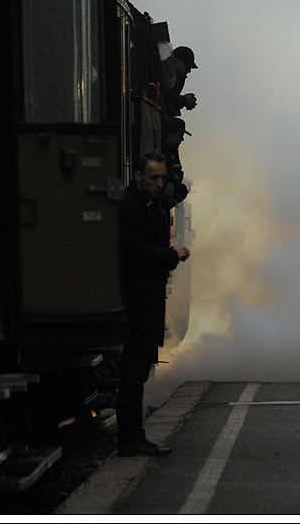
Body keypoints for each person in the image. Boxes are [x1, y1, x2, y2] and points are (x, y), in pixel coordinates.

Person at [117, 153, 191, 457]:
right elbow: (135, 251)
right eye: (154, 178)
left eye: (162, 178)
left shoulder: (151, 205)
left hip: (147, 297)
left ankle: (134, 435)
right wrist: (171, 256)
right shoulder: (132, 207)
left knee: (138, 370)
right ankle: (130, 438)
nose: (159, 184)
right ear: (137, 176)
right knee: (134, 371)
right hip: (138, 299)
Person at [161, 116, 190, 210]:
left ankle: (162, 210)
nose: (182, 139)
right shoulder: (159, 147)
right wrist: (172, 177)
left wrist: (172, 183)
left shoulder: (173, 150)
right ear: (170, 134)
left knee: (182, 190)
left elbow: (179, 172)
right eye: (180, 135)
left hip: (164, 184)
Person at [161, 45, 198, 118]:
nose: (189, 71)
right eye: (187, 66)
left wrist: (183, 101)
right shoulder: (162, 71)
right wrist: (184, 100)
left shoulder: (180, 79)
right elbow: (164, 97)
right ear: (177, 61)